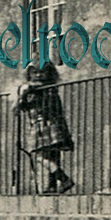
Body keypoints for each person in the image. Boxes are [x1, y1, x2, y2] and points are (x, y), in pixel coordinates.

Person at [16, 62, 75, 194]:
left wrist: (23, 95)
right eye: (35, 72)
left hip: (44, 124)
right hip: (51, 123)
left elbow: (29, 106)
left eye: (42, 72)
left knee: (39, 155)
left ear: (49, 74)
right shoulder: (46, 89)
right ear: (29, 74)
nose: (38, 75)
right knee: (52, 155)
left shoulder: (43, 89)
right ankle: (52, 185)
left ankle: (64, 179)